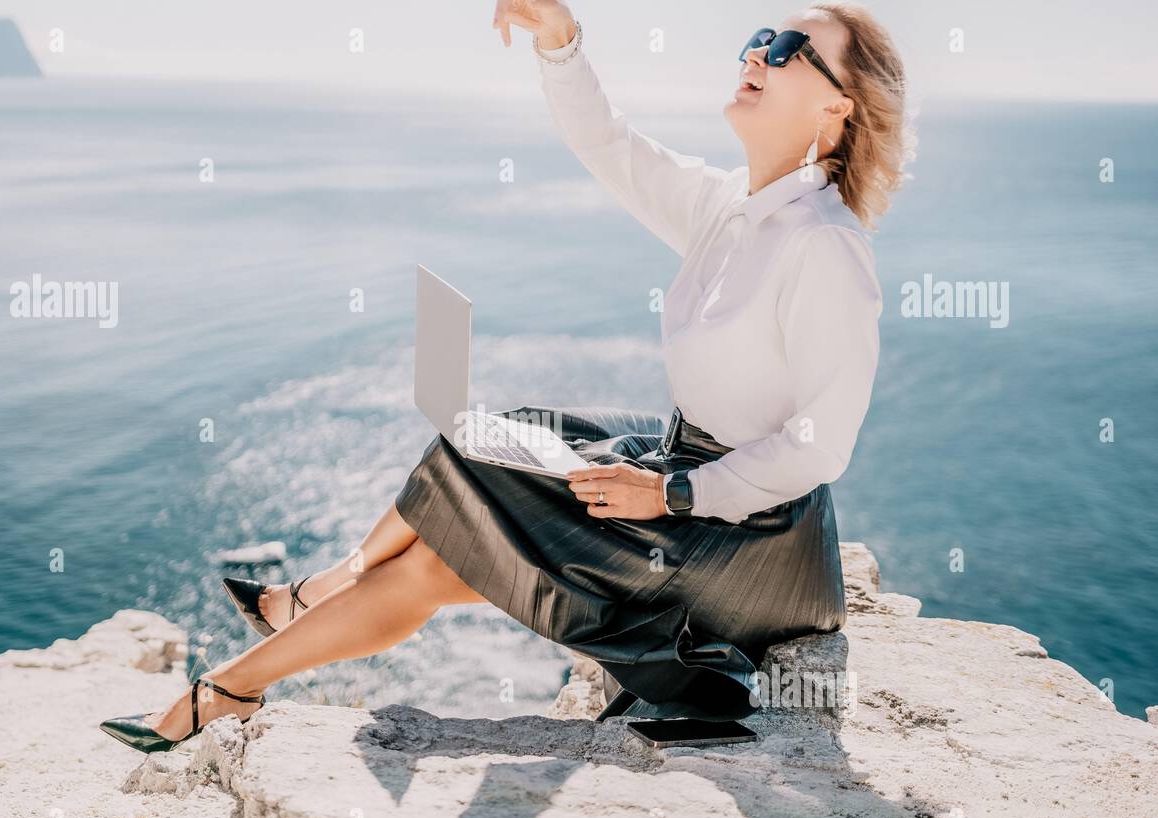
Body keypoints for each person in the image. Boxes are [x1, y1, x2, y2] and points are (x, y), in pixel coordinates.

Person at [100, 0, 911, 753]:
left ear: (837, 107)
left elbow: (821, 445)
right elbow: (609, 146)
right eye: (758, 38)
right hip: (685, 473)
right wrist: (560, 41)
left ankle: (303, 602)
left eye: (788, 48)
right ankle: (230, 689)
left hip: (752, 546)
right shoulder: (728, 205)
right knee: (463, 489)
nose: (757, 53)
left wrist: (669, 496)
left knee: (469, 455)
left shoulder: (825, 248)